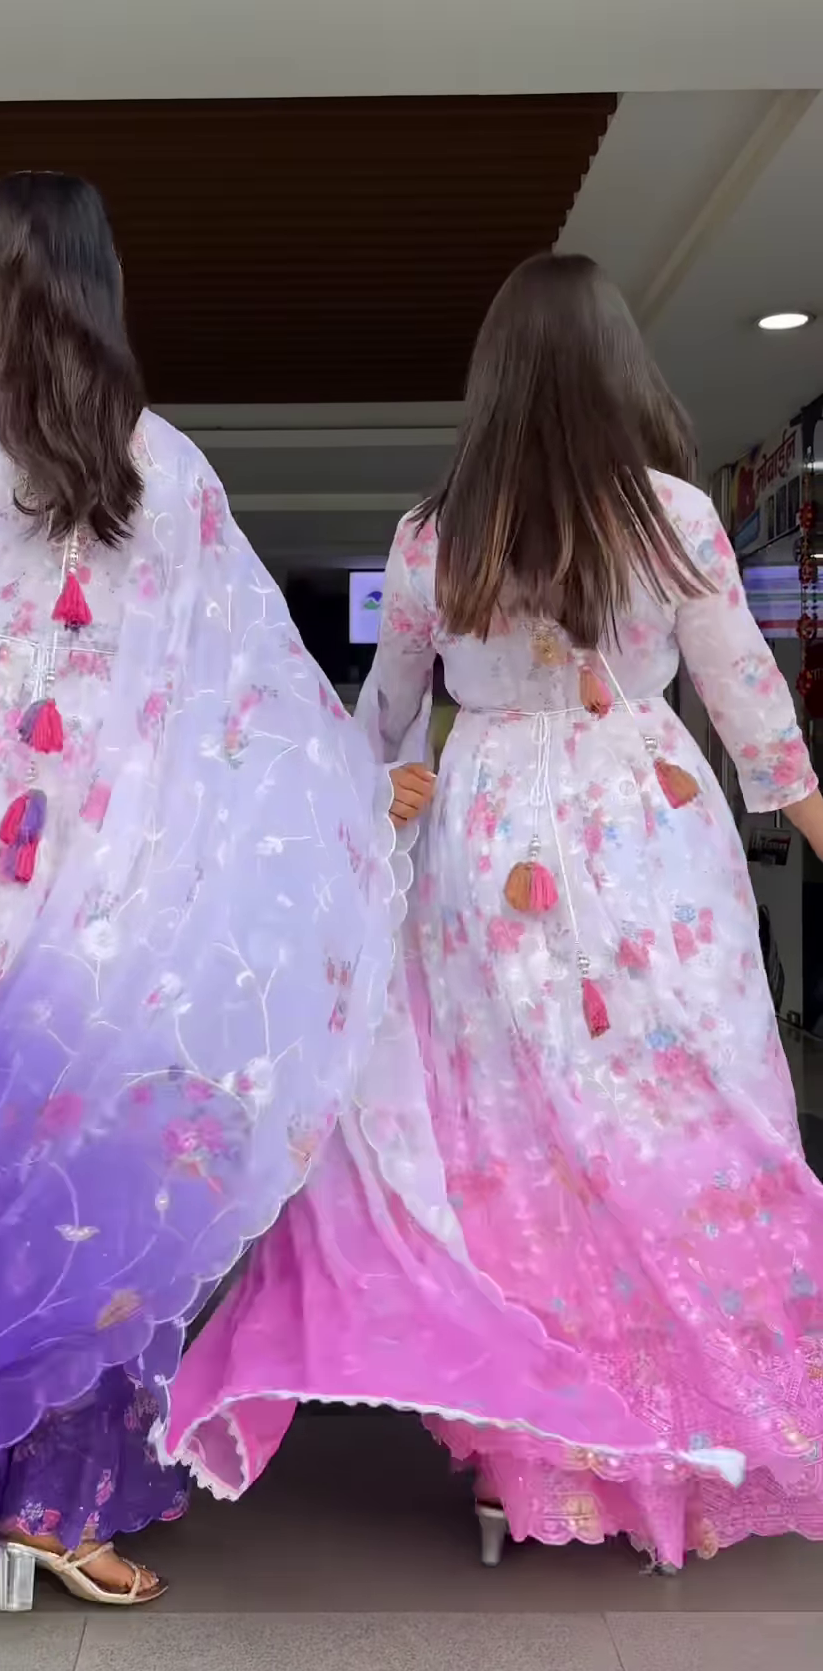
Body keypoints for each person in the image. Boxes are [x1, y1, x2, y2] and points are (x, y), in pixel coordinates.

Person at [0, 172, 440, 1623]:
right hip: (113, 876)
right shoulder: (164, 462)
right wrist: (356, 786)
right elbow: (255, 676)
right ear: (102, 287)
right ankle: (45, 1495)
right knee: (82, 1170)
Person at [166, 252, 823, 1571]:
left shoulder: (436, 533)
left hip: (489, 841)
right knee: (683, 1111)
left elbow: (387, 714)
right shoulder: (675, 516)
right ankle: (683, 1449)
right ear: (620, 367)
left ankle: (525, 1462)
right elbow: (755, 708)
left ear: (496, 380)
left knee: (506, 1135)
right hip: (649, 835)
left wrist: (350, 829)